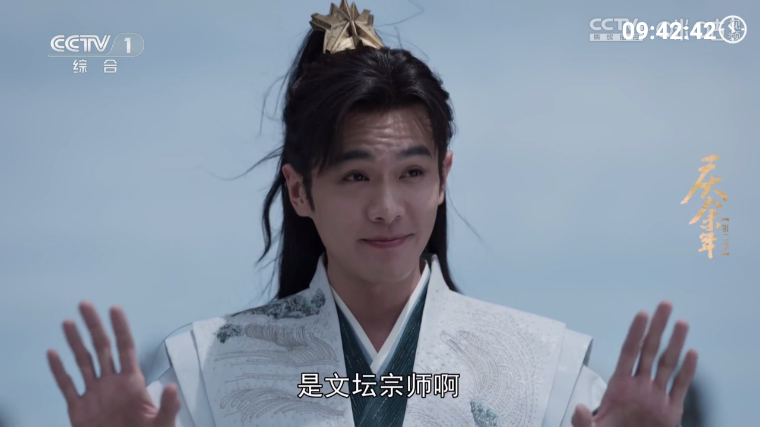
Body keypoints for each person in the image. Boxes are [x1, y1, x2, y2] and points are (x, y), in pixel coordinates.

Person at [46, 1, 698, 426]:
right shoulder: (207, 375)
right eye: (355, 176)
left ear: (443, 178)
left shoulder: (544, 373)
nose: (387, 209)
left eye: (411, 173)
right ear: (300, 191)